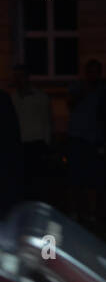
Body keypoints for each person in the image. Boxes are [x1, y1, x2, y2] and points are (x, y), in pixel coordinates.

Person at [65, 59, 106, 224]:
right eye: (90, 71)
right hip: (77, 139)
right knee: (75, 178)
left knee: (94, 179)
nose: (93, 75)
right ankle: (75, 212)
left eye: (96, 72)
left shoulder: (104, 89)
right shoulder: (77, 87)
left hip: (95, 140)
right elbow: (70, 104)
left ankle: (92, 213)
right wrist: (83, 91)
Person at [10, 64, 52, 199]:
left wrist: (46, 144)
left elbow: (47, 121)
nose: (17, 80)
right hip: (18, 145)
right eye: (15, 77)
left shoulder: (41, 97)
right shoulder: (12, 98)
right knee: (21, 182)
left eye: (20, 76)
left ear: (27, 77)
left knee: (37, 183)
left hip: (36, 144)